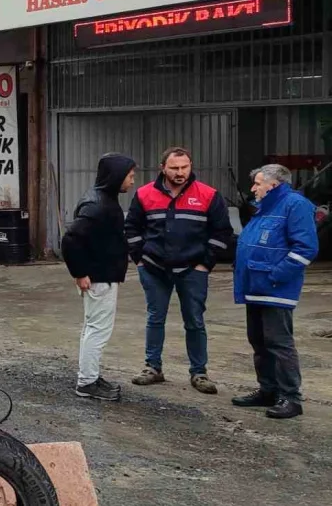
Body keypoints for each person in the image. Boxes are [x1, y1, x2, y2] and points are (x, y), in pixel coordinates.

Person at [124, 147, 233, 394]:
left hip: (193, 269)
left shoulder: (208, 195)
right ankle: (153, 368)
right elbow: (131, 229)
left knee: (194, 320)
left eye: (185, 167)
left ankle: (199, 372)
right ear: (162, 167)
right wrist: (140, 259)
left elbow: (222, 232)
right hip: (153, 268)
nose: (180, 172)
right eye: (174, 168)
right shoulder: (144, 195)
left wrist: (205, 263)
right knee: (155, 317)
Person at [232, 164, 317, 419]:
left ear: (274, 184)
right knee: (259, 341)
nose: (253, 188)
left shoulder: (294, 205)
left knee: (279, 343)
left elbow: (306, 248)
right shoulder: (265, 208)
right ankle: (268, 389)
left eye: (257, 183)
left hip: (274, 289)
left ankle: (290, 397)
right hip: (256, 287)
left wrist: (276, 275)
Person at [62, 153, 137, 401]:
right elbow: (71, 239)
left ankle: (90, 376)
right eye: (130, 176)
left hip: (101, 275)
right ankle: (87, 382)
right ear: (116, 176)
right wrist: (80, 272)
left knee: (91, 328)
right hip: (99, 277)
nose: (132, 181)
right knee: (97, 331)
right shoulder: (98, 206)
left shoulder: (103, 199)